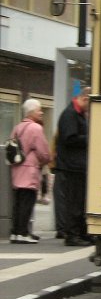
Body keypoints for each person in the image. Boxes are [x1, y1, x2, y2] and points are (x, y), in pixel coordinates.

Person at [9, 99, 51, 244]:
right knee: (27, 202)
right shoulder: (36, 129)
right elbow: (44, 152)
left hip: (17, 168)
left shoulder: (17, 127)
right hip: (30, 170)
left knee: (18, 202)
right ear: (32, 112)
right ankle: (23, 233)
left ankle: (15, 232)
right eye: (39, 110)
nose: (41, 112)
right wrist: (45, 160)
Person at [55, 86, 92, 247]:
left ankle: (81, 233)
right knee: (74, 202)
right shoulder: (70, 115)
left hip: (77, 165)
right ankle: (72, 235)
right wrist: (90, 138)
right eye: (90, 105)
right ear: (84, 99)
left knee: (80, 201)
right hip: (72, 166)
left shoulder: (77, 114)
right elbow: (70, 139)